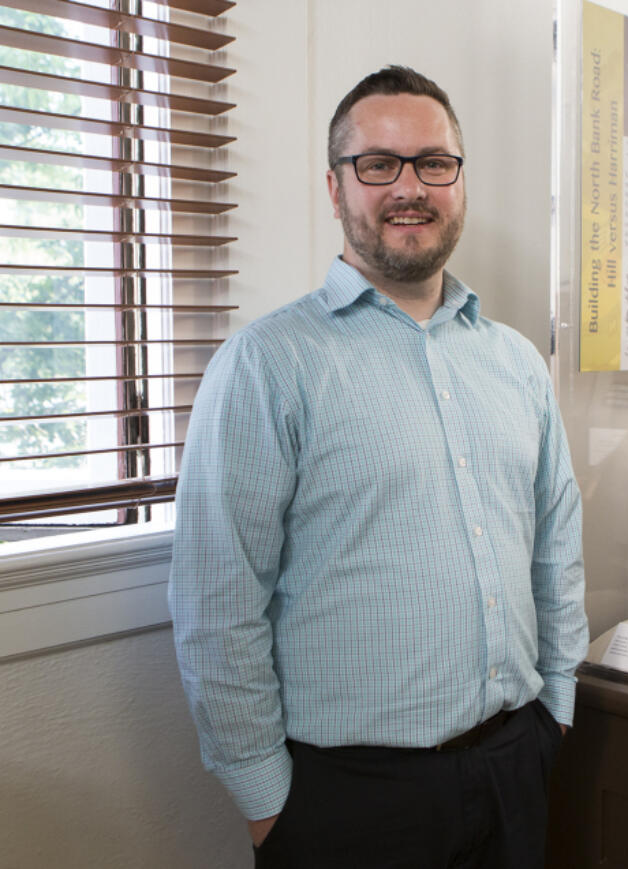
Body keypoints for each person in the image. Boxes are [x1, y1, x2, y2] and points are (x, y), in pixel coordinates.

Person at [169, 65, 588, 869]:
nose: (410, 187)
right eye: (378, 164)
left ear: (459, 184)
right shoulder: (267, 364)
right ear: (335, 188)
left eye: (434, 163)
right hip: (347, 800)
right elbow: (218, 605)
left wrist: (557, 703)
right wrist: (271, 809)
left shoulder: (517, 363)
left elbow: (555, 544)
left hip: (515, 767)